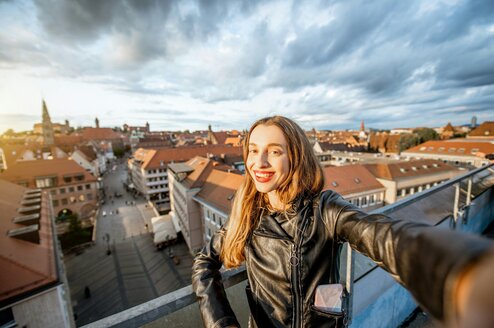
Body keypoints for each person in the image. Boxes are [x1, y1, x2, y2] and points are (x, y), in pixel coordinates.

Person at [192, 116, 492, 328]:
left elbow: (383, 236)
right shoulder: (247, 218)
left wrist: (460, 270)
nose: (260, 163)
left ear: (295, 158)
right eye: (253, 151)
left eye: (274, 151)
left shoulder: (324, 208)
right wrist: (221, 323)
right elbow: (204, 261)